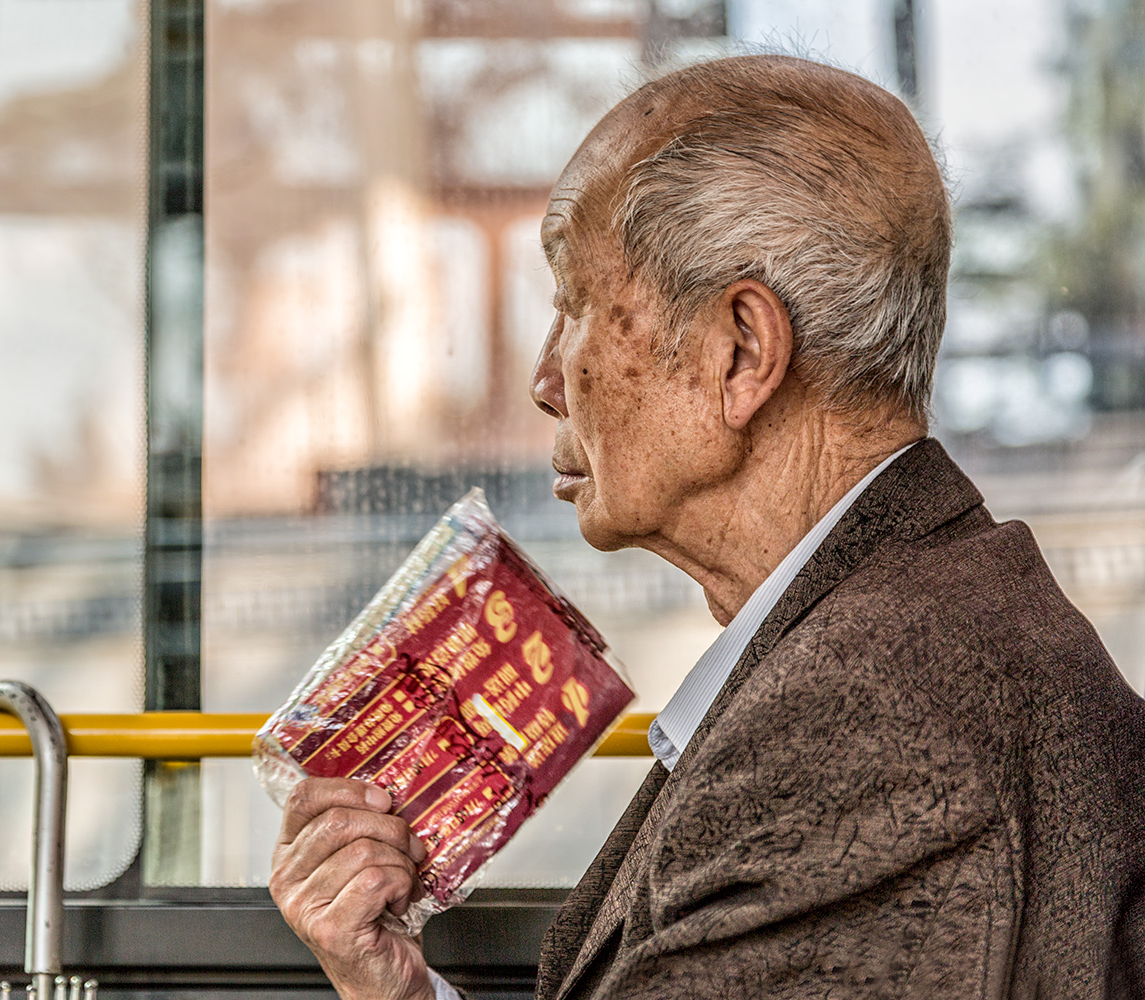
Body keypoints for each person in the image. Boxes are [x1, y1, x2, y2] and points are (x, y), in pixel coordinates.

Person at [268, 54, 1145, 999]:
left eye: (575, 310)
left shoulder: (851, 721)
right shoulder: (932, 619)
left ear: (740, 353)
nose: (544, 380)